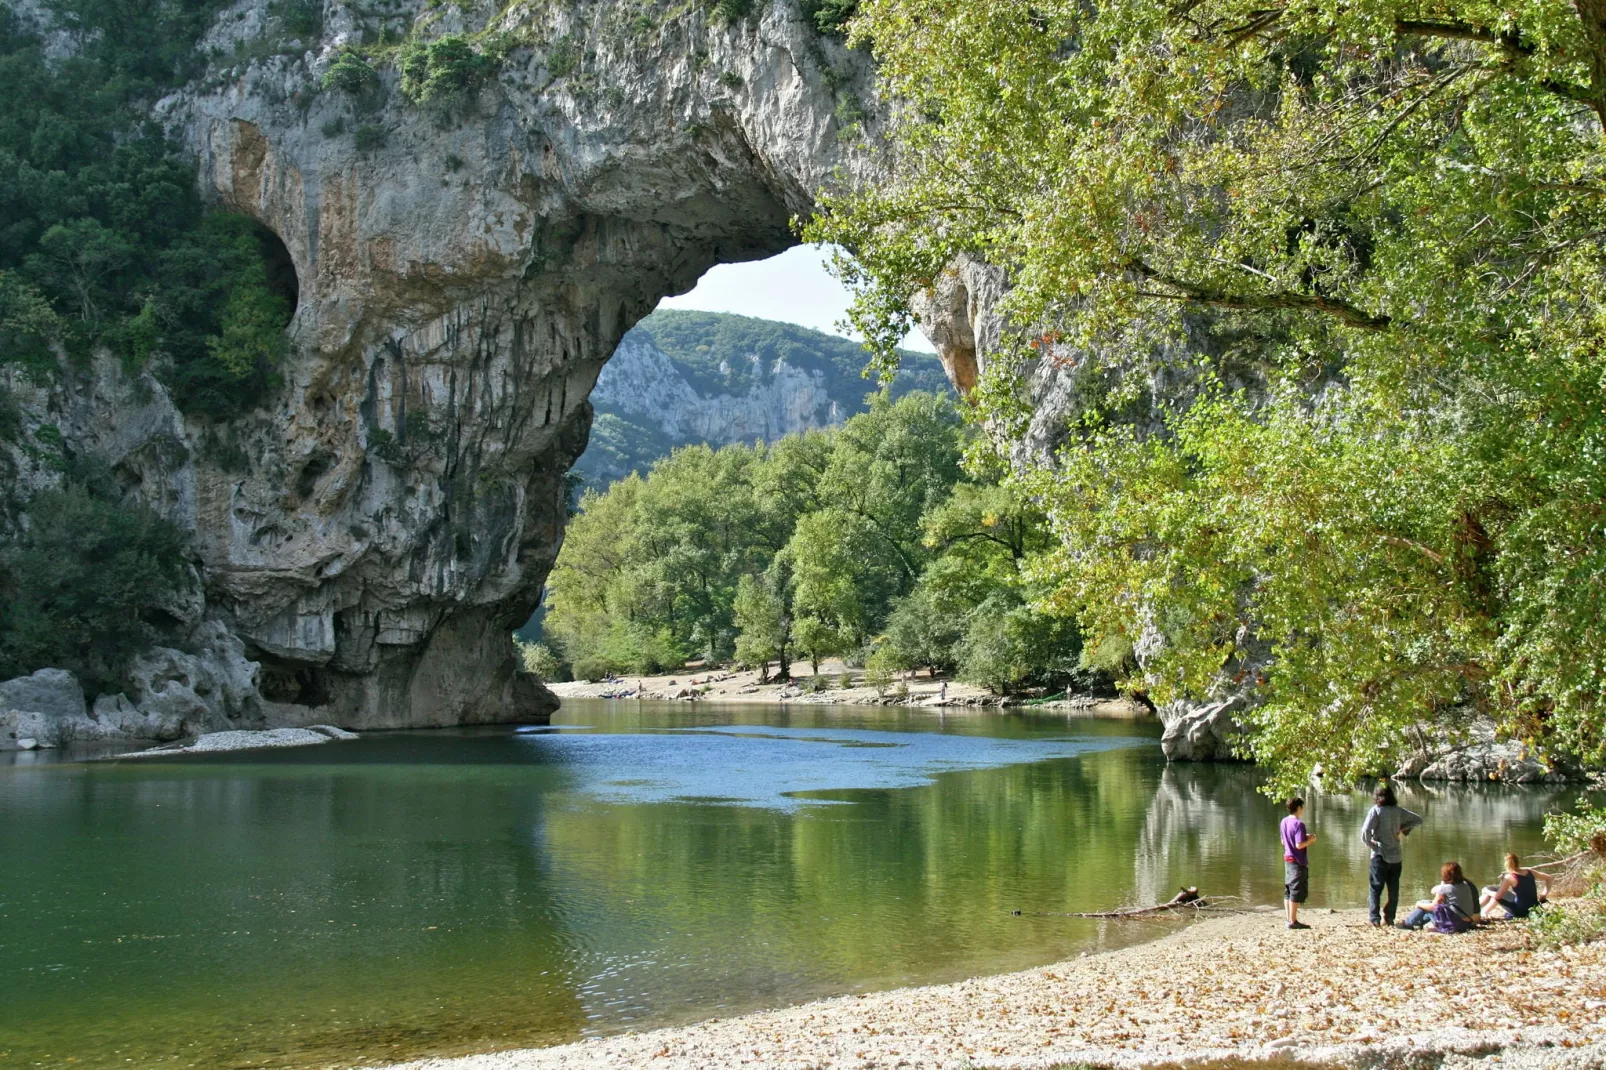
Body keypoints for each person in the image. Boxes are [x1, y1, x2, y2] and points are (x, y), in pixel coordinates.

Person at [1359, 782, 1423, 927]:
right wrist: (1402, 830)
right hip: (1396, 857)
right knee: (1393, 889)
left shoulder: (1376, 811)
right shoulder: (1398, 811)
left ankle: (1374, 919)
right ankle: (1390, 918)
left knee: (1375, 888)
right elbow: (1418, 820)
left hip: (1380, 855)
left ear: (1376, 796)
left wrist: (1373, 845)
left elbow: (1365, 833)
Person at [1398, 862, 1479, 932]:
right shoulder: (1465, 885)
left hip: (1453, 924)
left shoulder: (1444, 888)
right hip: (1467, 923)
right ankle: (1416, 923)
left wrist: (1418, 904)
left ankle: (1407, 923)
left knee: (1424, 903)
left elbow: (1433, 907)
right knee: (1429, 904)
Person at [1281, 797, 1317, 930]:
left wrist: (1303, 836)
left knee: (1288, 889)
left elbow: (1284, 841)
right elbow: (1299, 845)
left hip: (1287, 859)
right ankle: (1293, 921)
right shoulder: (1299, 824)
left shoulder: (1284, 821)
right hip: (1297, 861)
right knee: (1296, 890)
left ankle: (1288, 918)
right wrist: (1311, 840)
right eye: (1303, 807)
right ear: (1299, 808)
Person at [1481, 853, 1552, 919]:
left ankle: (1479, 911)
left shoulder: (1509, 877)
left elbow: (1498, 896)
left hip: (1520, 911)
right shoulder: (1530, 872)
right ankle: (1482, 910)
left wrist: (1485, 890)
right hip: (1534, 908)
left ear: (1506, 865)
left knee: (1491, 891)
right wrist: (1543, 895)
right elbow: (1549, 878)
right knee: (1495, 889)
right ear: (1518, 862)